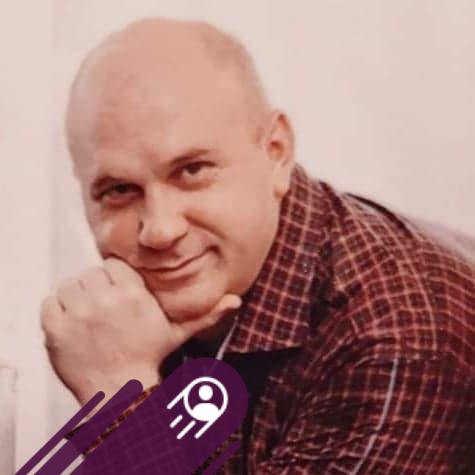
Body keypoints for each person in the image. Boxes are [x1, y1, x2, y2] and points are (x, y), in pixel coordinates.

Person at [40, 17, 475, 474]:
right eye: (119, 190)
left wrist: (117, 391)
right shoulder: (170, 298)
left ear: (276, 152)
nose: (160, 230)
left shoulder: (393, 337)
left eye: (192, 171)